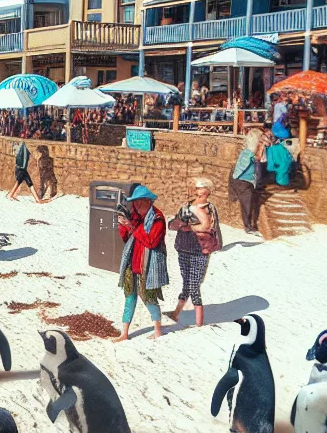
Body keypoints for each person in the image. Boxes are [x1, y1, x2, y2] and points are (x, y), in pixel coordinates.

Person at [114, 184, 168, 341]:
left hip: (149, 267)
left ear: (148, 201)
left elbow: (151, 241)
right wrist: (123, 225)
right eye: (134, 202)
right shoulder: (135, 216)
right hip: (133, 263)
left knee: (149, 298)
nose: (136, 205)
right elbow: (127, 239)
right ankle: (124, 333)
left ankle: (158, 329)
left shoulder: (158, 218)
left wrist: (133, 227)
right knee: (129, 297)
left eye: (139, 201)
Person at [166, 177, 219, 327]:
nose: (198, 190)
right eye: (197, 187)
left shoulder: (209, 208)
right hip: (184, 247)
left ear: (208, 190)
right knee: (187, 282)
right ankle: (176, 314)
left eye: (202, 187)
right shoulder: (186, 206)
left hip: (199, 250)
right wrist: (179, 224)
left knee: (194, 285)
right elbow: (172, 224)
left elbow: (209, 228)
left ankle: (199, 322)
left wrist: (191, 227)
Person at [229, 129, 268, 234]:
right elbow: (256, 159)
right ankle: (248, 227)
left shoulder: (250, 152)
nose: (261, 143)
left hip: (248, 181)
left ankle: (250, 225)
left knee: (250, 201)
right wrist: (261, 147)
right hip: (242, 181)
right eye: (259, 141)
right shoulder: (247, 153)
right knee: (247, 203)